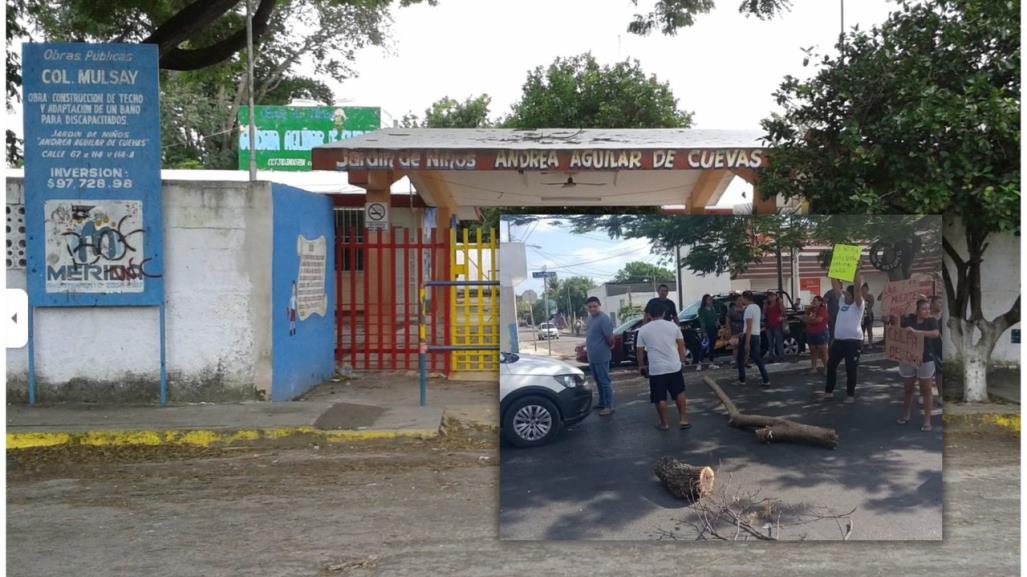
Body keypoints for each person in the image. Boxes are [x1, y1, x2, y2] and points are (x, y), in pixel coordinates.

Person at [636, 300, 690, 431]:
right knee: (679, 392)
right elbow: (681, 344)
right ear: (664, 312)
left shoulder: (643, 330)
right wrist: (682, 360)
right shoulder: (673, 326)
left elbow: (640, 350)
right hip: (674, 365)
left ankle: (664, 423)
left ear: (648, 315)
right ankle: (683, 420)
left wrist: (641, 366)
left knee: (659, 397)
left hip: (656, 368)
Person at [820, 269, 866, 403]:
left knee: (850, 369)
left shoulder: (858, 305)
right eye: (845, 294)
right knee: (831, 365)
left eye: (848, 295)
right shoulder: (842, 303)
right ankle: (828, 391)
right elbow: (835, 286)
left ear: (854, 296)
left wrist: (856, 271)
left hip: (854, 342)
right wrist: (833, 271)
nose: (845, 296)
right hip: (839, 342)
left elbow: (857, 288)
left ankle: (850, 395)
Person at [896, 299, 942, 431]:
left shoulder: (931, 321)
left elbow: (935, 333)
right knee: (908, 389)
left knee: (926, 390)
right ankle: (905, 415)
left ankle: (927, 420)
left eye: (928, 308)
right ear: (917, 311)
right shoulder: (909, 319)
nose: (927, 311)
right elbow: (898, 330)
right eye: (924, 309)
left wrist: (917, 333)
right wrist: (896, 316)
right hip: (909, 358)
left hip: (926, 358)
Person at [584, 297, 615, 416]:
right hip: (592, 356)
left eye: (595, 306)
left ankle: (609, 406)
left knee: (604, 381)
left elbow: (610, 338)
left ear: (599, 305)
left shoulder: (604, 319)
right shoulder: (590, 318)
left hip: (602, 356)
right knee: (598, 381)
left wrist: (608, 347)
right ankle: (602, 402)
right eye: (590, 306)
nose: (592, 308)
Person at [736, 291, 770, 387]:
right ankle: (766, 378)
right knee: (757, 358)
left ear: (746, 298)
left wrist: (747, 342)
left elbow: (749, 326)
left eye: (742, 298)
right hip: (756, 334)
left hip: (749, 335)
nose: (741, 300)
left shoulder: (748, 310)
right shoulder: (757, 307)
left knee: (740, 358)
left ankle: (742, 380)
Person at [804, 295, 830, 374]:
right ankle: (814, 368)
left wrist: (809, 321)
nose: (813, 302)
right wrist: (810, 319)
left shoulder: (822, 310)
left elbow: (818, 320)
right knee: (813, 351)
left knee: (823, 351)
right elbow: (804, 317)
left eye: (815, 300)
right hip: (810, 332)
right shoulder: (810, 310)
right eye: (813, 301)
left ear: (820, 302)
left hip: (820, 332)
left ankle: (827, 368)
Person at [696, 294, 721, 371]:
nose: (710, 301)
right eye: (709, 299)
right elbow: (702, 321)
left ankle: (711, 363)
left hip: (713, 329)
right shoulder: (701, 310)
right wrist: (704, 332)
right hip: (706, 329)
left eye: (711, 299)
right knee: (704, 347)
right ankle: (699, 363)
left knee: (712, 347)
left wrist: (717, 322)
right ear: (705, 301)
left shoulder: (712, 308)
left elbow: (715, 318)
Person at [764, 291, 785, 363]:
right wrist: (765, 304)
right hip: (769, 326)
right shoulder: (767, 305)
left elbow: (783, 312)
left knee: (779, 341)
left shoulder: (778, 304)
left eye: (773, 296)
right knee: (770, 343)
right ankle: (771, 356)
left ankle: (781, 356)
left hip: (777, 325)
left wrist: (781, 302)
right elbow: (764, 313)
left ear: (776, 297)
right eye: (770, 296)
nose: (771, 298)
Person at [861, 283, 876, 348]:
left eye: (865, 289)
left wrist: (865, 301)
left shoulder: (870, 296)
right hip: (861, 316)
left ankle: (870, 344)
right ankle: (861, 345)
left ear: (867, 289)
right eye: (863, 289)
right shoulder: (859, 297)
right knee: (862, 331)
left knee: (869, 330)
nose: (864, 290)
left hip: (869, 315)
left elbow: (871, 304)